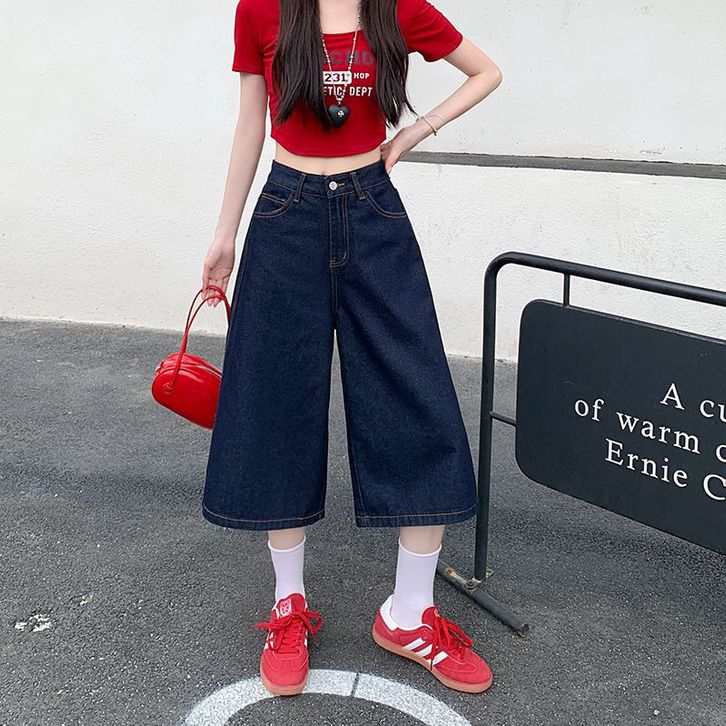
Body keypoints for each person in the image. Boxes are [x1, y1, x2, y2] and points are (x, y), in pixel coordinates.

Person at [200, 0, 502, 698]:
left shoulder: (397, 9)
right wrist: (224, 233)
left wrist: (414, 132)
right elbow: (250, 124)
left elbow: (485, 72)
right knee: (277, 406)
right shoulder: (261, 10)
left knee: (417, 398)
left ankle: (409, 613)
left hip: (373, 209)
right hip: (286, 213)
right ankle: (288, 606)